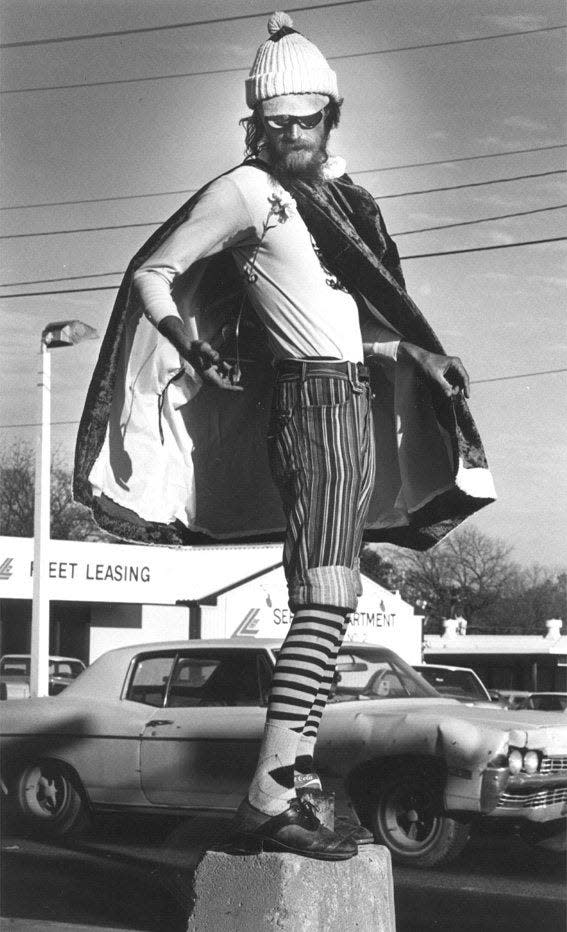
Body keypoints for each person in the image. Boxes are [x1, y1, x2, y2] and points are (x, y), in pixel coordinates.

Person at [74, 12, 495, 861]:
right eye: (274, 124)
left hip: (344, 396)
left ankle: (288, 780)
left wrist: (408, 348)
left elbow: (333, 326)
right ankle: (272, 793)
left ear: (329, 118)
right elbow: (153, 269)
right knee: (327, 599)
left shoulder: (329, 203)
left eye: (304, 121)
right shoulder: (246, 190)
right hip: (310, 407)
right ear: (254, 124)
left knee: (329, 603)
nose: (290, 135)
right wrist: (189, 341)